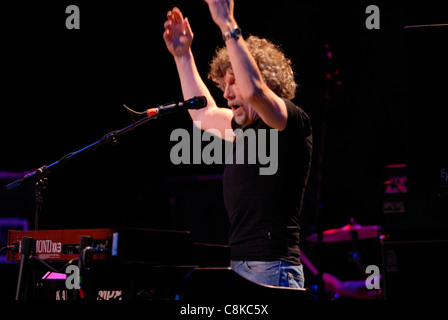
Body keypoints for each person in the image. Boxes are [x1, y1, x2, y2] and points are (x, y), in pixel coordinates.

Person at [163, 0, 312, 288]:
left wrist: (226, 23)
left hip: (272, 268)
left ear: (262, 78)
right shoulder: (243, 129)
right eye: (224, 85)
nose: (228, 94)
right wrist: (183, 55)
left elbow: (255, 92)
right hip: (242, 266)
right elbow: (203, 115)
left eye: (234, 83)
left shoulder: (290, 120)